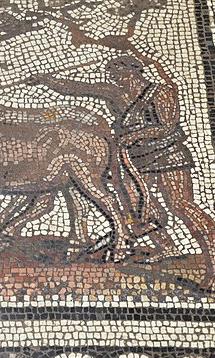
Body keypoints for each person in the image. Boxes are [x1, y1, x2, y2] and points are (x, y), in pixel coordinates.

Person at [27, 56, 215, 290]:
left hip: (167, 154)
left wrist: (132, 136)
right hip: (137, 157)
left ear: (133, 70)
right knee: (137, 205)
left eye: (116, 71)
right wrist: (47, 80)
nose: (112, 76)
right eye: (110, 72)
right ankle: (166, 247)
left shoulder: (160, 92)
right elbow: (79, 88)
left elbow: (167, 126)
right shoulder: (115, 94)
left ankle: (213, 259)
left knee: (180, 203)